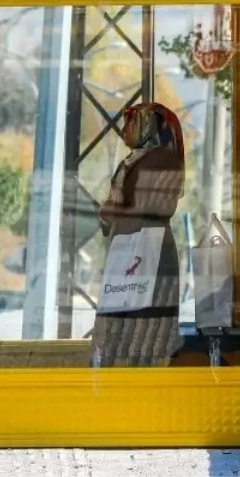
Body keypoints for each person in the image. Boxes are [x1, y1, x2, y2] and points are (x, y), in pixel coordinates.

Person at [91, 102, 185, 368]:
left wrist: (119, 212)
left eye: (131, 122)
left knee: (146, 323)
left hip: (150, 250)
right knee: (121, 318)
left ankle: (142, 380)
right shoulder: (134, 159)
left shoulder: (164, 160)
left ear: (149, 126)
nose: (124, 129)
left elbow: (157, 206)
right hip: (129, 244)